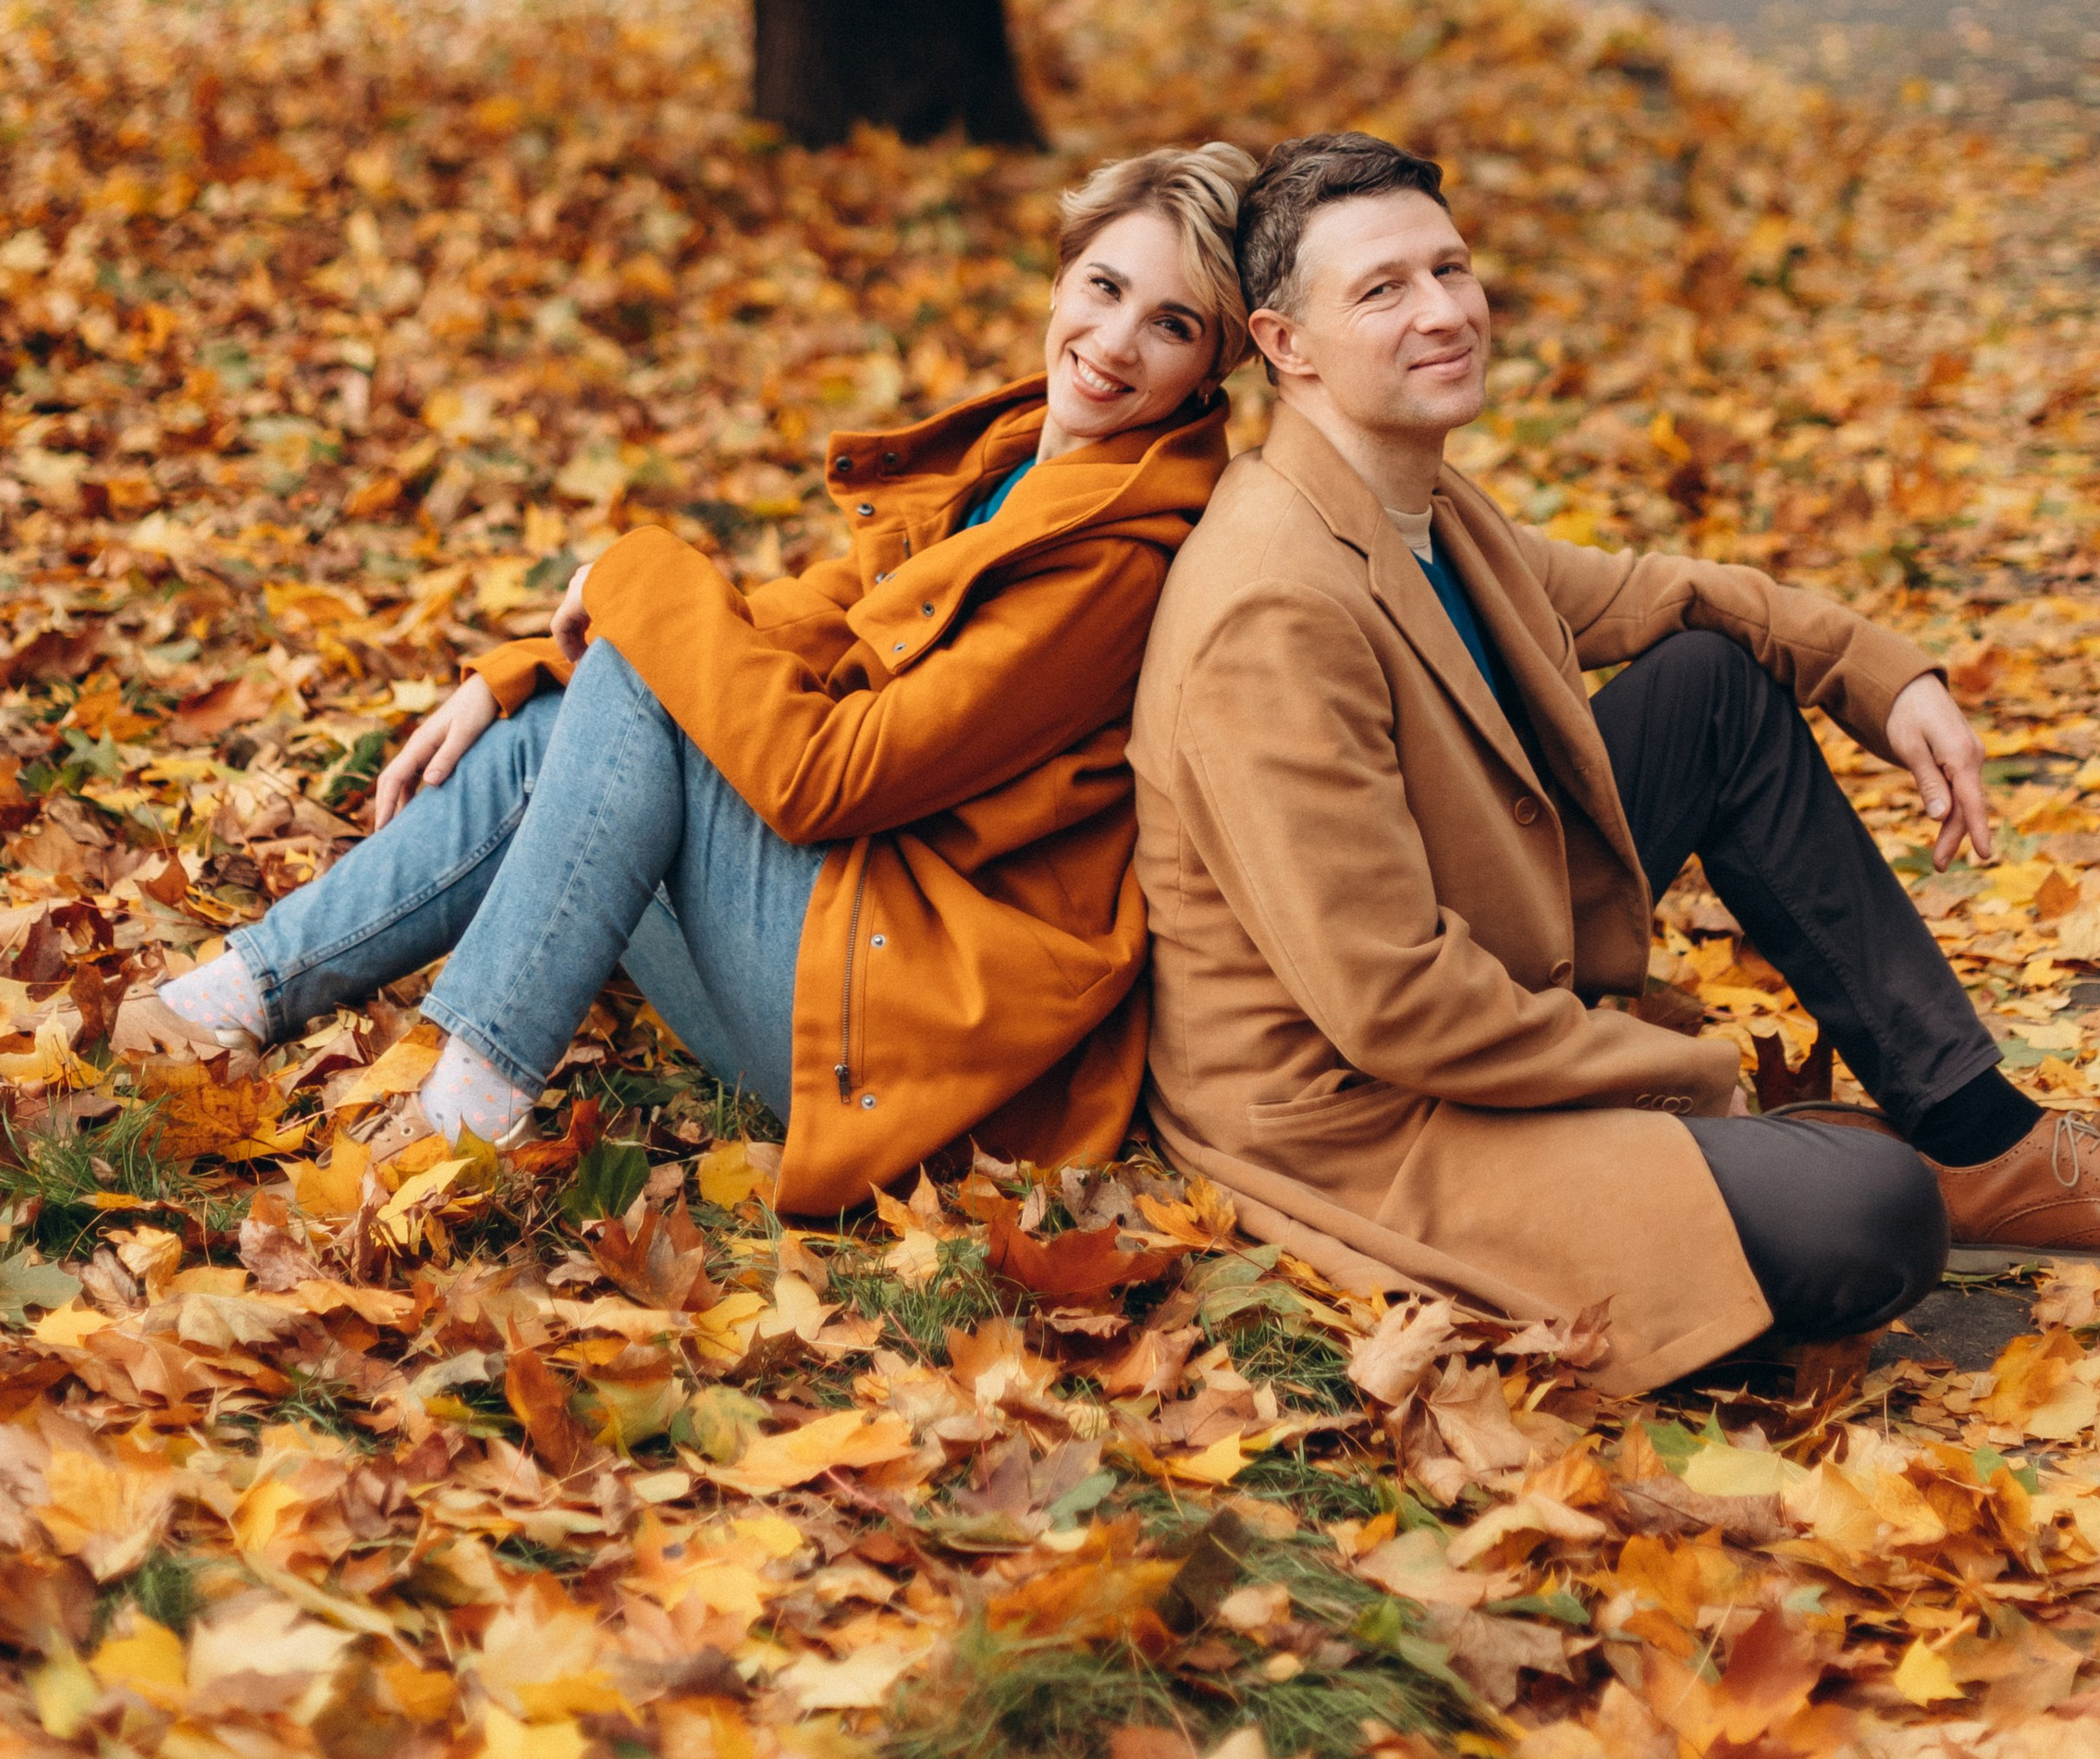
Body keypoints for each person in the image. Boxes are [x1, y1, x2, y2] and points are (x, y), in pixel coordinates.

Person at [1129, 131, 2100, 1394]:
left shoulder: (1421, 503)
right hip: (1357, 1112)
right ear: (1288, 345)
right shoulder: (1273, 608)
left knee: (1713, 689)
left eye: (1449, 268)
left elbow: (1657, 598)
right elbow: (1389, 1000)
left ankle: (1978, 1133)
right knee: (1878, 1219)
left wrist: (1884, 677)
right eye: (1382, 291)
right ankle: (1859, 1163)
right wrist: (1684, 1078)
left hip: (1471, 954)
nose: (1445, 311)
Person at [119, 141, 1255, 1203]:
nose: (1114, 343)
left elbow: (830, 779)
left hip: (914, 1033)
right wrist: (522, 669)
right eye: (1104, 289)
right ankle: (235, 999)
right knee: (610, 690)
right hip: (847, 940)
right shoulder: (1010, 464)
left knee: (641, 678)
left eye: (1171, 325)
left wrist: (630, 571)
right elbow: (788, 630)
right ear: (1060, 280)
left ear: (1214, 368)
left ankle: (467, 1110)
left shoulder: (1110, 562)